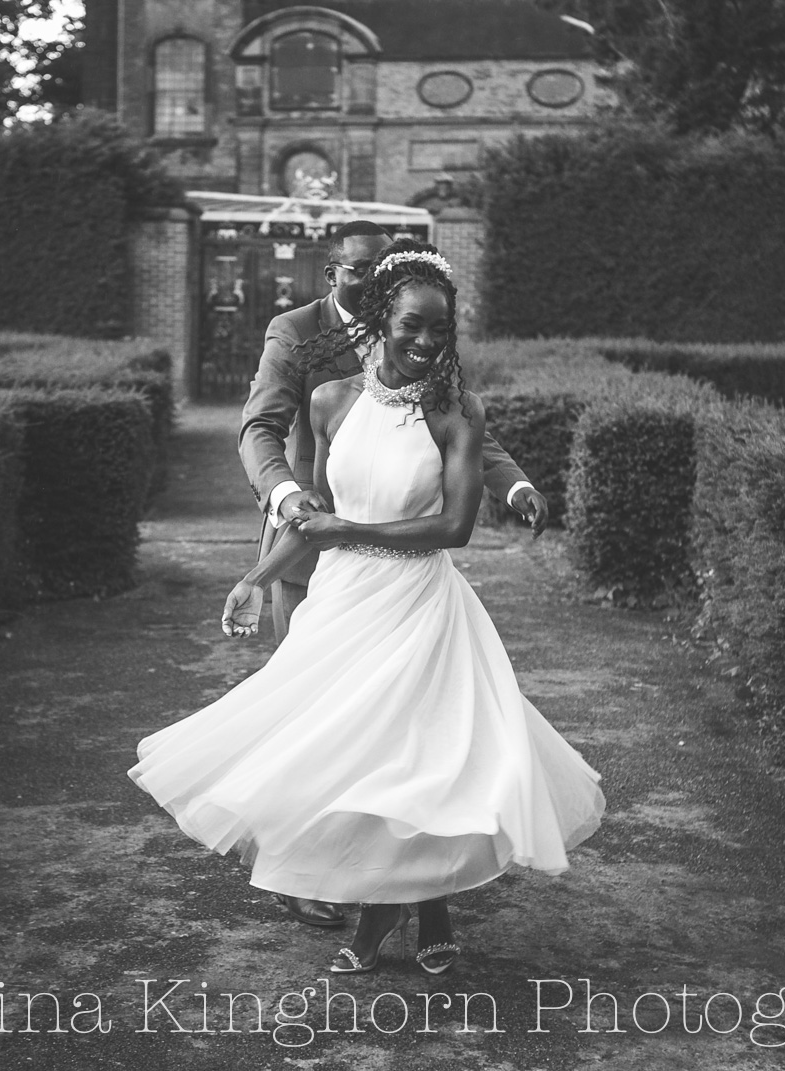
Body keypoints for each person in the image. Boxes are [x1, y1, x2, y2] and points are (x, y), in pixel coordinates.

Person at [128, 239, 604, 976]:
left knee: (414, 761)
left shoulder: (457, 412)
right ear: (380, 319)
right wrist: (256, 575)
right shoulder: (329, 401)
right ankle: (422, 906)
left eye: (440, 329)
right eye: (412, 324)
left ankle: (387, 914)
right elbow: (315, 513)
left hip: (417, 603)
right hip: (341, 601)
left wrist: (348, 530)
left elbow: (453, 528)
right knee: (345, 754)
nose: (426, 341)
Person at [237, 219, 550, 930]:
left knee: (400, 743)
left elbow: (457, 443)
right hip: (323, 574)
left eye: (380, 265)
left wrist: (514, 483)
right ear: (337, 276)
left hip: (407, 587)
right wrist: (276, 526)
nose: (371, 275)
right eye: (358, 268)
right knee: (316, 728)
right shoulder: (301, 342)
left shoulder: (444, 384)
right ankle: (306, 871)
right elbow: (263, 430)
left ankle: (398, 888)